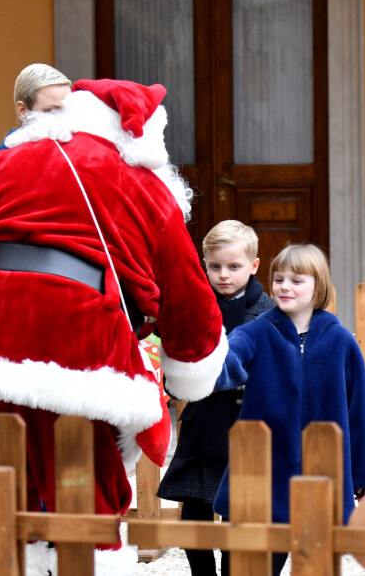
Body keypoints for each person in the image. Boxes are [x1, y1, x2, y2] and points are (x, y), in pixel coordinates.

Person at [0, 78, 227, 575]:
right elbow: (189, 301)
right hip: (74, 348)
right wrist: (188, 372)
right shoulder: (139, 180)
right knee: (86, 496)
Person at [212, 243, 365, 576]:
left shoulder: (341, 341)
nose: (284, 287)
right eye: (279, 279)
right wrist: (202, 360)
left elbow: (360, 410)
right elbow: (226, 366)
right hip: (263, 472)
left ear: (318, 286)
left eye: (297, 280)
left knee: (315, 565)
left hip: (322, 475)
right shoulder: (256, 332)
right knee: (248, 565)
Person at [159, 219, 274, 575]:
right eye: (215, 266)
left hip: (247, 425)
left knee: (240, 510)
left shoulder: (268, 311)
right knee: (195, 509)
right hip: (203, 422)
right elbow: (176, 360)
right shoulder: (195, 307)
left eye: (234, 266)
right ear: (204, 264)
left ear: (254, 265)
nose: (224, 275)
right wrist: (176, 380)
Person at [0, 63, 72, 165]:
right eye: (50, 111)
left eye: (67, 110)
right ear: (23, 111)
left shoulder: (78, 158)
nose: (62, 118)